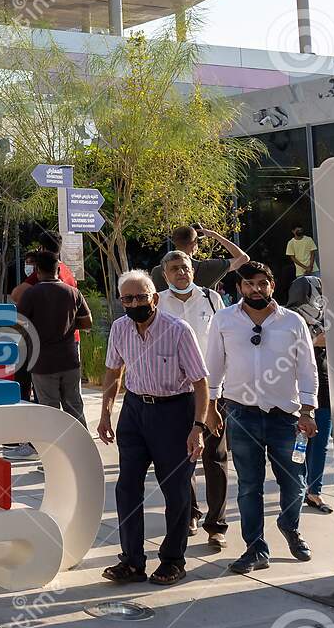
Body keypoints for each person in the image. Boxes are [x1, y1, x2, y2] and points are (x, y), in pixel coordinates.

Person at [204, 261, 317, 574]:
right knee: (249, 486)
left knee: (295, 483)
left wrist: (308, 410)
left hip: (287, 416)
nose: (256, 289)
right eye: (249, 283)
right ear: (240, 288)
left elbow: (307, 368)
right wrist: (211, 406)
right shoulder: (224, 320)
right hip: (241, 415)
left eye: (262, 283)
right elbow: (213, 365)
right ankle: (256, 548)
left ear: (272, 286)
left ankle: (289, 526)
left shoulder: (292, 322)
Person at [97, 270, 208, 586]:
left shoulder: (177, 330)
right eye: (127, 299)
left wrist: (198, 427)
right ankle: (132, 561)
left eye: (140, 297)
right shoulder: (120, 329)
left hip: (174, 413)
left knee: (175, 490)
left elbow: (201, 382)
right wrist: (106, 414)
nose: (134, 304)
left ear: (155, 298)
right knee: (127, 488)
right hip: (134, 412)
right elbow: (113, 373)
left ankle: (173, 560)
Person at [160, 250, 230, 548]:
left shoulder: (212, 299)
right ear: (165, 275)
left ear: (193, 270)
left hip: (213, 392)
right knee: (180, 459)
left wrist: (217, 395)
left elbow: (224, 344)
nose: (181, 273)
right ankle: (189, 512)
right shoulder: (158, 302)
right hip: (176, 393)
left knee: (216, 458)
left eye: (185, 268)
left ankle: (216, 525)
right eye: (174, 269)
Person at [17, 250, 93, 429]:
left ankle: (53, 452)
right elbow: (87, 322)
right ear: (58, 269)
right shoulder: (73, 293)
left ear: (37, 270)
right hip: (69, 361)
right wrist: (68, 327)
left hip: (42, 363)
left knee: (49, 411)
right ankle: (81, 448)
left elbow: (19, 326)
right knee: (74, 407)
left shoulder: (31, 294)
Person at [285, 273, 333, 514]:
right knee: (299, 443)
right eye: (316, 291)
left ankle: (314, 491)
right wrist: (317, 341)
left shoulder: (325, 315)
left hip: (323, 385)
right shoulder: (288, 318)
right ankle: (299, 488)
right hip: (296, 387)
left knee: (320, 442)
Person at [154, 225, 248, 292]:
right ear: (194, 244)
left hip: (168, 319)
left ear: (175, 242)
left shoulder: (157, 272)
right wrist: (215, 235)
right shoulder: (208, 267)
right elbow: (243, 258)